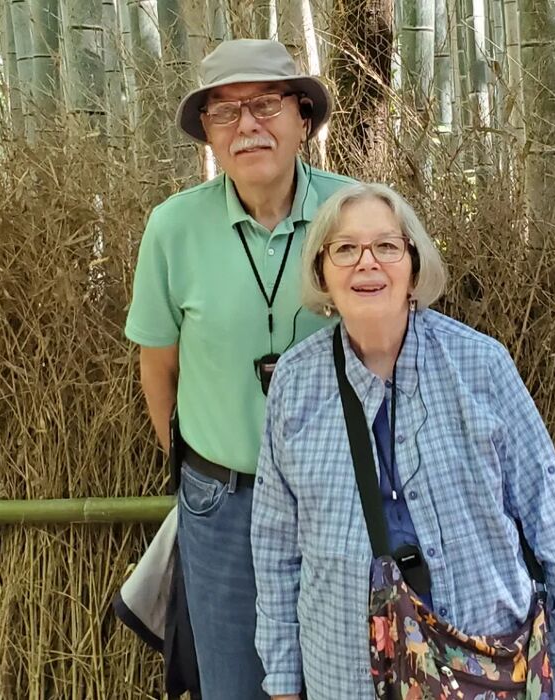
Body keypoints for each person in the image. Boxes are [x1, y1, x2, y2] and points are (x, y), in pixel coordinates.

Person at [252, 182, 555, 699]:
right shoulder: (296, 382)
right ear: (322, 271)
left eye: (386, 246)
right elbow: (276, 550)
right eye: (345, 249)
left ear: (413, 264)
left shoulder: (479, 365)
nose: (367, 263)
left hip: (485, 664)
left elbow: (553, 521)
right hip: (346, 675)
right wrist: (281, 681)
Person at [124, 39, 354, 699]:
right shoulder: (174, 227)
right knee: (233, 682)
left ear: (303, 118)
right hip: (221, 499)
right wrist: (193, 466)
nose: (247, 125)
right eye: (224, 113)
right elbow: (158, 364)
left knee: (348, 677)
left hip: (337, 497)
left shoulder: (358, 215)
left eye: (265, 105)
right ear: (208, 136)